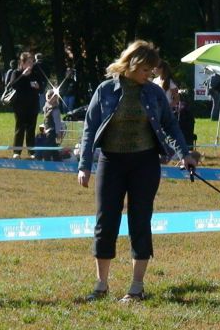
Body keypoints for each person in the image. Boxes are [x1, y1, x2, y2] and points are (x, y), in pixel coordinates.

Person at [77, 40, 197, 303]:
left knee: (140, 221)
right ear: (132, 64)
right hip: (111, 161)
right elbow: (89, 128)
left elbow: (170, 126)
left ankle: (136, 287)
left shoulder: (153, 93)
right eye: (146, 70)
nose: (150, 75)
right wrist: (84, 166)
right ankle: (101, 285)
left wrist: (184, 154)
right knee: (105, 221)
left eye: (152, 71)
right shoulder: (105, 90)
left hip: (145, 163)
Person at [8, 52, 42, 158]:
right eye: (28, 62)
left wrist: (38, 86)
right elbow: (13, 85)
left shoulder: (36, 73)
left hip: (33, 105)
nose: (31, 64)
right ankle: (17, 152)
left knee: (31, 129)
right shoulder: (16, 72)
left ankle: (31, 152)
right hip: (20, 106)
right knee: (20, 128)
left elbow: (42, 87)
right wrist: (23, 75)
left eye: (32, 62)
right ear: (22, 63)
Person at [42, 89, 65, 161]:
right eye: (48, 96)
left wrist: (58, 132)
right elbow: (47, 119)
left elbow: (57, 123)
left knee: (50, 145)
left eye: (50, 96)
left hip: (52, 130)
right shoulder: (48, 106)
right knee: (52, 145)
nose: (48, 97)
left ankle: (51, 159)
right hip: (49, 130)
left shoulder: (54, 109)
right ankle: (54, 158)